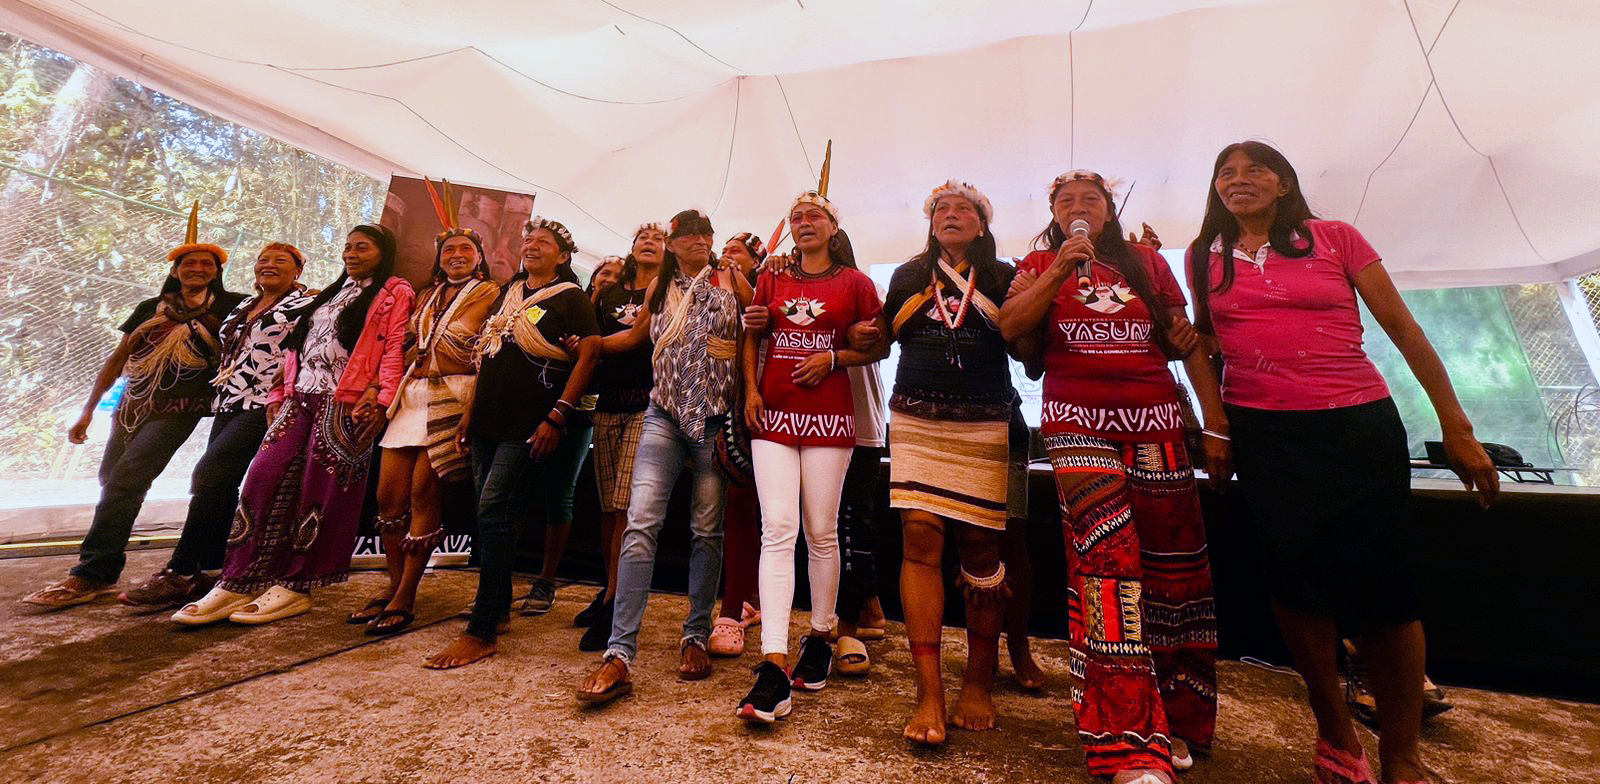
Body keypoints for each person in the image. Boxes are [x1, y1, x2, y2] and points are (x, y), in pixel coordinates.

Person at [1185, 141, 1498, 784]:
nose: (1239, 180)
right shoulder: (1203, 256)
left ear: (1283, 183)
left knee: (1388, 592)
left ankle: (1401, 755)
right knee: (1297, 587)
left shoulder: (1336, 238)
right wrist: (1216, 428)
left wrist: (1457, 426)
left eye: (1255, 170)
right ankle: (1334, 727)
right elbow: (1207, 346)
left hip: (1356, 428)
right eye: (1227, 172)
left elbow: (1405, 330)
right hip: (1265, 436)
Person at [1001, 170, 1225, 784]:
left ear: (1108, 211)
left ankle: (1177, 715)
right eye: (1067, 201)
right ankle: (1127, 741)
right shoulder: (1038, 261)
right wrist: (1056, 269)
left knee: (1173, 569)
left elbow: (1185, 340)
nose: (1079, 208)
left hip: (1156, 424)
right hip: (1076, 426)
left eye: (1090, 200)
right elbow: (1010, 325)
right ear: (1053, 212)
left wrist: (1216, 424)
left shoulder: (1149, 262)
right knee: (1108, 569)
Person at [174, 224, 414, 626]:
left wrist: (384, 397)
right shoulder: (330, 293)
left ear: (382, 252)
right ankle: (238, 578)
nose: (351, 254)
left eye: (363, 248)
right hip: (298, 397)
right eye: (348, 247)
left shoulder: (394, 291)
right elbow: (296, 347)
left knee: (320, 492)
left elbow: (393, 348)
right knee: (263, 477)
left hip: (346, 402)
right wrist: (279, 394)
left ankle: (296, 585)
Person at [868, 181, 1028, 744]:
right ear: (931, 221)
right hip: (915, 419)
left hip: (985, 421)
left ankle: (978, 683)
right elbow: (882, 340)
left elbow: (1027, 353)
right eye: (942, 208)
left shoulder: (1008, 277)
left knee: (981, 548)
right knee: (919, 539)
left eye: (964, 209)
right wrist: (857, 338)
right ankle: (929, 693)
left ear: (982, 224)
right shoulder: (910, 276)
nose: (951, 214)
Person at [24, 204, 244, 610]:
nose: (197, 268)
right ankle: (104, 570)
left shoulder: (232, 306)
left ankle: (90, 573)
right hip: (132, 405)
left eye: (205, 263)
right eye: (189, 262)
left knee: (125, 480)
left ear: (217, 271)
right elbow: (117, 359)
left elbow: (276, 308)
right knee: (113, 481)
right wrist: (88, 409)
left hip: (179, 408)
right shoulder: (150, 308)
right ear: (176, 270)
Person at [575, 208, 751, 703]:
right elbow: (633, 339)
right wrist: (585, 349)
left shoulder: (732, 278)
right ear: (674, 243)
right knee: (640, 523)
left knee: (706, 529)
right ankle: (620, 653)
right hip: (664, 416)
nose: (699, 240)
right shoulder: (658, 289)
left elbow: (756, 331)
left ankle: (695, 635)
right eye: (688, 234)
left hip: (714, 418)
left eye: (705, 233)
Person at [424, 217, 599, 668]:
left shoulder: (571, 297)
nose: (532, 245)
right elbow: (489, 351)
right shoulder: (509, 291)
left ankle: (482, 629)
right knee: (493, 513)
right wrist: (470, 412)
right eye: (529, 239)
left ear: (563, 256)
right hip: (488, 417)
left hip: (531, 420)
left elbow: (590, 355)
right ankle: (498, 608)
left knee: (494, 508)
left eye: (544, 242)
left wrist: (557, 416)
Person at [736, 191, 883, 723]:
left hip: (830, 415)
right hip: (772, 414)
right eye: (795, 216)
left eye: (813, 215)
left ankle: (820, 634)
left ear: (833, 226)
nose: (803, 223)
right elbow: (753, 335)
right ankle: (773, 661)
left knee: (821, 530)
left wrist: (834, 357)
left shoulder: (857, 283)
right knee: (777, 528)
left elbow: (879, 343)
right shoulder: (771, 277)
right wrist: (750, 391)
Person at [118, 243, 313, 610]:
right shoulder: (242, 306)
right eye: (262, 260)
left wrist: (285, 391)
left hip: (267, 404)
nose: (268, 265)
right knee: (220, 483)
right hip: (228, 401)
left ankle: (181, 569)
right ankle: (213, 568)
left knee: (210, 473)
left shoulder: (306, 305)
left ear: (298, 271)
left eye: (280, 261)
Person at [350, 211, 499, 634]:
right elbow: (402, 346)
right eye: (449, 250)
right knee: (387, 498)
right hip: (411, 396)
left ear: (479, 258)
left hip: (454, 393)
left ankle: (406, 597)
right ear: (439, 259)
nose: (456, 255)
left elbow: (489, 352)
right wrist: (376, 388)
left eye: (465, 249)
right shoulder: (426, 295)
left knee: (422, 492)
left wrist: (476, 408)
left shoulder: (492, 294)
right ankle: (392, 585)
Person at [575, 224, 665, 652]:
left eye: (659, 238)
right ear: (631, 248)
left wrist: (590, 345)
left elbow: (634, 337)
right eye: (642, 236)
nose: (649, 241)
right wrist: (584, 342)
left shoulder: (665, 291)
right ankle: (607, 587)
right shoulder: (608, 293)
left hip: (645, 405)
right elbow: (588, 336)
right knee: (609, 506)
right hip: (605, 403)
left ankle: (615, 603)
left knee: (626, 507)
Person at [708, 230, 769, 658]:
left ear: (756, 261)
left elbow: (755, 311)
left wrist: (738, 278)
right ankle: (738, 601)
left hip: (763, 400)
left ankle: (743, 602)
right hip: (722, 404)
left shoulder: (766, 285)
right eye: (725, 250)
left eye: (738, 252)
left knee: (758, 507)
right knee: (734, 505)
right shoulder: (709, 287)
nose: (728, 257)